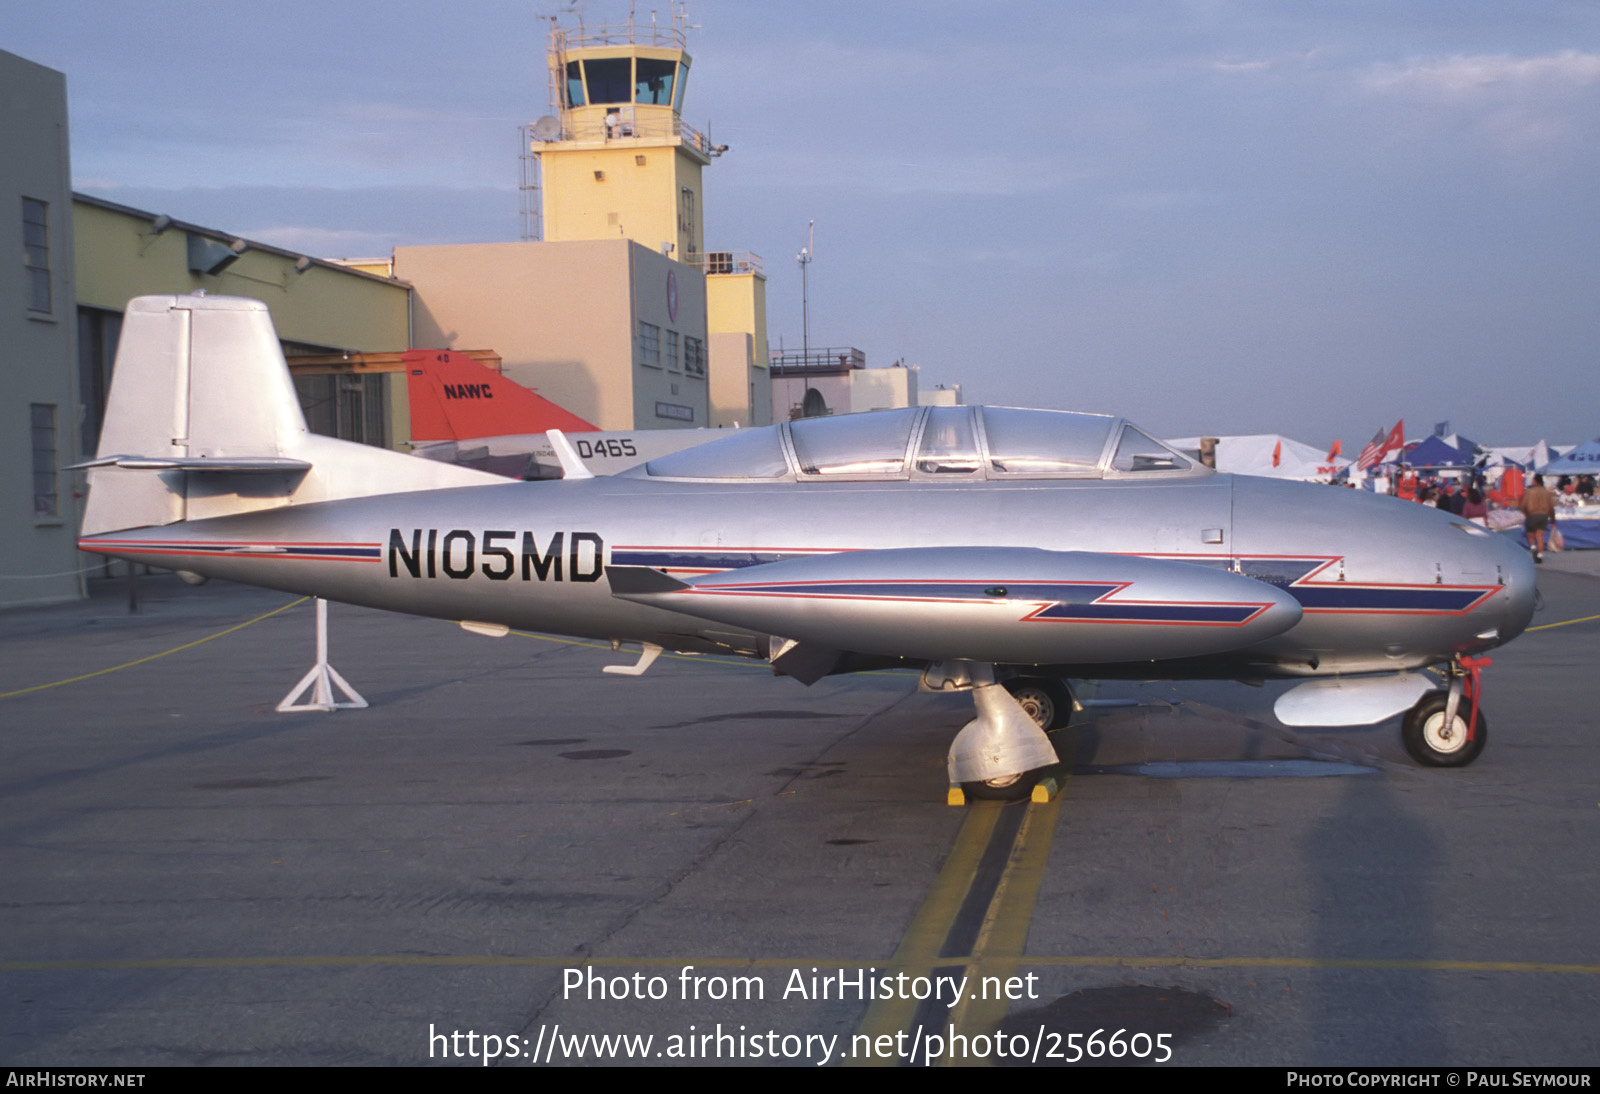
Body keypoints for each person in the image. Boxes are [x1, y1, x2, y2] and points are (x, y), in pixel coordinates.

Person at [1520, 474, 1557, 562]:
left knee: (1530, 536)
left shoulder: (1529, 492)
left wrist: (1525, 514)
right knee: (1540, 536)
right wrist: (1552, 520)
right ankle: (1540, 555)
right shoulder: (1546, 492)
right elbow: (1551, 507)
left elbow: (1523, 505)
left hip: (1532, 515)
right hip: (1543, 516)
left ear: (1535, 481)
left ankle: (1533, 549)